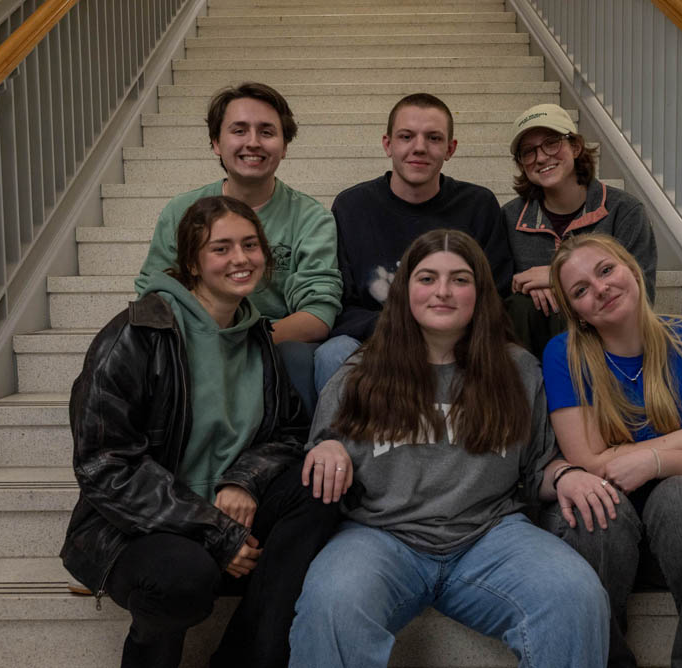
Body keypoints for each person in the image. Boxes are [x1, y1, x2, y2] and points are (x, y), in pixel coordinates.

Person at [289, 229, 612, 668]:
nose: (442, 291)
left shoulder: (518, 369)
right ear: (405, 292)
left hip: (489, 537)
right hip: (379, 537)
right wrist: (326, 449)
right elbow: (322, 449)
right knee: (331, 602)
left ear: (480, 293)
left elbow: (540, 466)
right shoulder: (359, 373)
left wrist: (569, 475)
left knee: (575, 594)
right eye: (426, 279)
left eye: (460, 280)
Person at [62, 196, 340, 667]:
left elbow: (291, 432)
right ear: (191, 262)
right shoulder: (137, 334)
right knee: (181, 576)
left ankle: (244, 659)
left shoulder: (258, 336)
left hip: (230, 518)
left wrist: (243, 479)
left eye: (250, 245)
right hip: (139, 526)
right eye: (221, 248)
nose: (240, 259)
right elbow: (105, 466)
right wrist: (215, 531)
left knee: (320, 488)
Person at [539, 233, 682, 667]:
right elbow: (591, 464)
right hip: (606, 541)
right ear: (577, 313)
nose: (600, 289)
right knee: (596, 508)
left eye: (606, 270)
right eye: (580, 291)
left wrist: (649, 460)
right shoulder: (565, 355)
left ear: (632, 268)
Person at [135, 82, 341, 415]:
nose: (253, 142)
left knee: (300, 357)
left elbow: (317, 315)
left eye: (267, 132)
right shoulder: (182, 211)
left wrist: (236, 339)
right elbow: (154, 296)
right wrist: (204, 340)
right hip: (193, 343)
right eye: (239, 130)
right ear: (216, 142)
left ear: (285, 146)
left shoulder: (310, 217)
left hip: (271, 347)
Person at [314, 92, 513, 390]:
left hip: (455, 338)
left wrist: (443, 332)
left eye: (433, 138)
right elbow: (342, 303)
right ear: (388, 144)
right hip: (378, 339)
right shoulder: (352, 206)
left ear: (450, 148)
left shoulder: (478, 205)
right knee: (332, 352)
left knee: (515, 358)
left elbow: (495, 294)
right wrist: (404, 328)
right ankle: (340, 437)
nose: (419, 147)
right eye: (406, 136)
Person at [504, 103, 657, 358]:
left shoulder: (624, 211)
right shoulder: (510, 217)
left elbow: (642, 296)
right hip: (534, 350)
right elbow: (501, 297)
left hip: (606, 344)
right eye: (528, 151)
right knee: (521, 305)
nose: (541, 157)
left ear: (575, 147)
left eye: (552, 142)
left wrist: (558, 279)